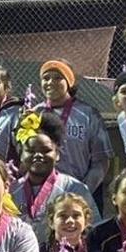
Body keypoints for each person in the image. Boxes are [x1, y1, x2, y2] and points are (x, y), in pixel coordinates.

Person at [10, 109, 98, 247]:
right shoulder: (10, 191)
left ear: (57, 154)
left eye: (46, 150)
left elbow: (93, 230)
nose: (38, 155)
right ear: (21, 155)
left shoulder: (75, 189)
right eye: (31, 151)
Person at [35, 59, 112, 194]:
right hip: (42, 193)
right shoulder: (35, 114)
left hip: (78, 193)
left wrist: (83, 191)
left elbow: (101, 160)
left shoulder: (88, 114)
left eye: (58, 78)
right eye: (46, 78)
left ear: (69, 82)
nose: (50, 82)